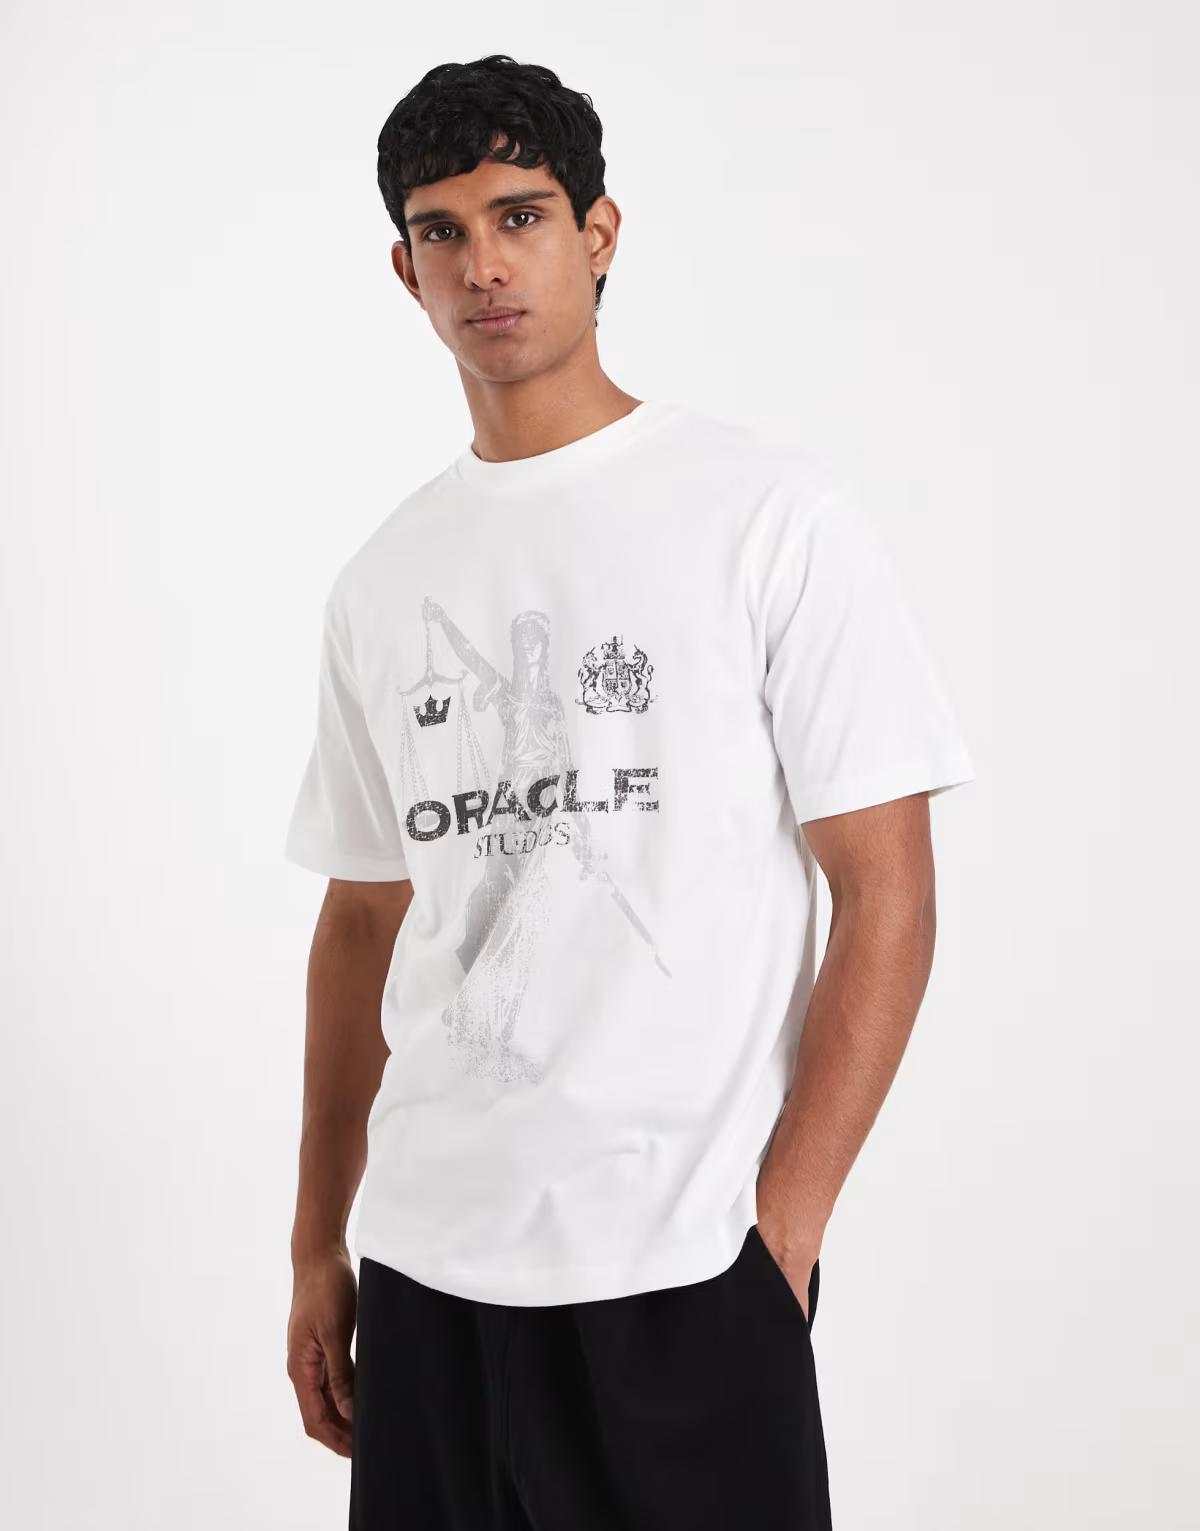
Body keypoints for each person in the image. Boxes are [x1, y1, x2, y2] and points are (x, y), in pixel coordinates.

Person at [283, 53, 975, 1531]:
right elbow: (359, 923)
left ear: (598, 234)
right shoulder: (382, 580)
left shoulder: (767, 514)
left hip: (686, 1271)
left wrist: (782, 1232)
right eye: (443, 231)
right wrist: (315, 1244)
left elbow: (887, 890)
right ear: (405, 271)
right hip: (426, 1275)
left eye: (520, 216)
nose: (484, 265)